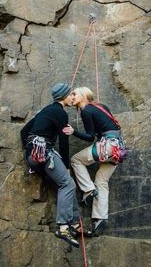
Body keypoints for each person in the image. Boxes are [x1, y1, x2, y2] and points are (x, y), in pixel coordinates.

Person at [21, 83, 87, 248]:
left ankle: (74, 223)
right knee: (67, 182)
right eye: (71, 94)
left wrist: (29, 153)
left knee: (66, 183)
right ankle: (64, 227)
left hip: (32, 155)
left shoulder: (45, 111)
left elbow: (24, 131)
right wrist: (65, 164)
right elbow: (64, 143)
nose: (73, 97)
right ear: (64, 96)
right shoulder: (60, 113)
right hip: (44, 152)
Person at [63, 87, 122, 236]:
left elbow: (90, 137)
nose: (72, 96)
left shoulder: (86, 110)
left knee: (76, 160)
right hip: (118, 148)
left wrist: (73, 132)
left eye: (74, 93)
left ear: (83, 95)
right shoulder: (101, 106)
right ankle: (100, 219)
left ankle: (88, 191)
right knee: (101, 181)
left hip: (107, 146)